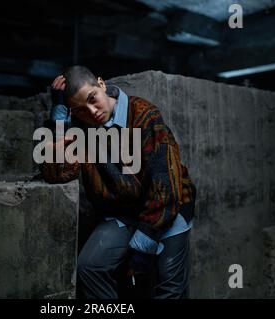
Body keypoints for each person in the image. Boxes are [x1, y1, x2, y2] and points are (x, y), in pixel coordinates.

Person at [40, 65, 196, 299]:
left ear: (101, 84)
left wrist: (143, 244)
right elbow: (57, 173)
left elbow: (165, 186)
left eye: (93, 98)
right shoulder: (81, 128)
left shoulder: (143, 114)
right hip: (123, 213)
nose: (92, 111)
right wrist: (59, 116)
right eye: (80, 110)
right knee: (89, 268)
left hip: (168, 207)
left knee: (168, 290)